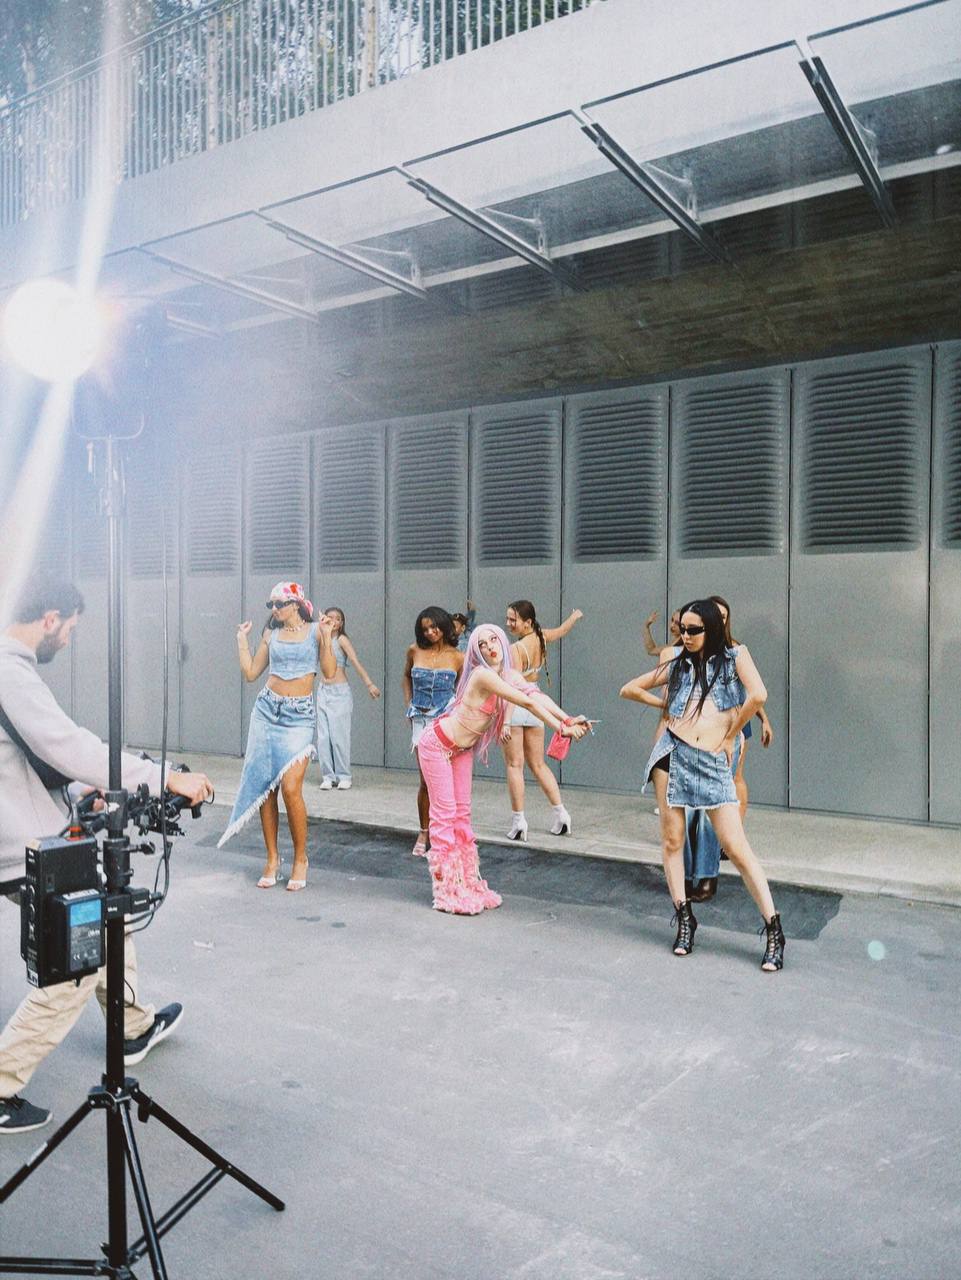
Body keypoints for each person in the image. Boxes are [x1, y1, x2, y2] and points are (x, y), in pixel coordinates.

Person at [0, 575, 213, 1135]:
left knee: (107, 922)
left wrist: (79, 792)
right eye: (69, 628)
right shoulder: (8, 670)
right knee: (75, 965)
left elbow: (31, 761)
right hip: (26, 847)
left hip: (31, 831)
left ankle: (133, 1026)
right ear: (50, 618)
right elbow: (67, 746)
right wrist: (163, 776)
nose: (68, 639)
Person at [620, 598, 785, 971]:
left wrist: (731, 734)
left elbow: (758, 694)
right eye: (683, 629)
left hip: (711, 761)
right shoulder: (677, 663)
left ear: (712, 628)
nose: (686, 636)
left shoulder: (735, 656)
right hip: (672, 754)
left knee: (736, 847)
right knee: (672, 840)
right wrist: (666, 708)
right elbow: (628, 688)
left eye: (694, 630)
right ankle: (684, 919)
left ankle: (773, 928)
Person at [417, 624, 588, 915]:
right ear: (476, 652)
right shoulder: (482, 675)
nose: (490, 647)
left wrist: (568, 719)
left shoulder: (508, 675)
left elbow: (537, 696)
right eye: (482, 644)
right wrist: (561, 728)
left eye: (493, 639)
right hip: (437, 744)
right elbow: (525, 702)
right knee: (444, 815)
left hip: (460, 749)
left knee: (462, 815)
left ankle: (468, 883)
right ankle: (446, 891)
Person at [220, 582, 335, 892]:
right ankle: (272, 858)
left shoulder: (315, 631)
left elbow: (328, 672)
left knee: (291, 787)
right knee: (265, 787)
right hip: (267, 712)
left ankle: (301, 858)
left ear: (295, 604)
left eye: (279, 603)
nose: (273, 609)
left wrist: (326, 637)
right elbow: (251, 673)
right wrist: (241, 640)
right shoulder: (271, 634)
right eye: (270, 604)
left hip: (299, 716)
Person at [502, 600, 584, 840]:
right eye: (508, 619)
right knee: (538, 764)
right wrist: (574, 617)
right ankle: (561, 814)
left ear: (527, 622)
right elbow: (561, 630)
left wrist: (505, 720)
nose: (508, 623)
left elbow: (513, 687)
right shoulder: (541, 636)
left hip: (518, 703)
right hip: (537, 702)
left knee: (514, 765)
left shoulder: (516, 649)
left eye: (513, 620)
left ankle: (519, 821)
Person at [401, 608, 464, 857]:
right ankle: (424, 831)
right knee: (426, 781)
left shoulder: (458, 657)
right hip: (420, 718)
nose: (429, 632)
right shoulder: (414, 650)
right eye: (424, 629)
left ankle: (444, 833)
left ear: (444, 625)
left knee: (446, 781)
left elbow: (463, 690)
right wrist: (408, 704)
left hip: (445, 720)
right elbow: (406, 676)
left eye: (433, 627)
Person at [315, 606, 380, 791]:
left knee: (339, 736)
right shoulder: (321, 638)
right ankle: (328, 776)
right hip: (323, 691)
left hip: (339, 692)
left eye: (338, 619)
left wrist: (369, 684)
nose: (334, 621)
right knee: (323, 737)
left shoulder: (342, 640)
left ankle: (344, 775)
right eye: (330, 617)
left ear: (342, 623)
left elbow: (354, 661)